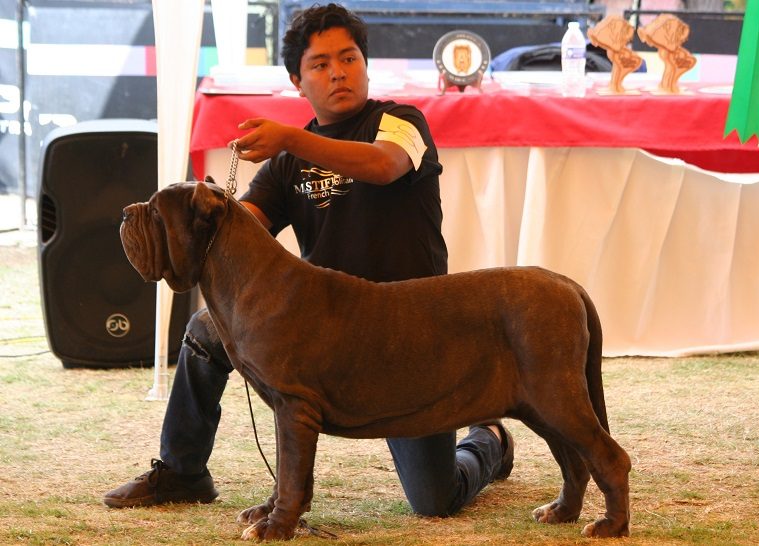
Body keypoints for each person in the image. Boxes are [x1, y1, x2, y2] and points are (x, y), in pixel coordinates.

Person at [103, 3, 513, 519]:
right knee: (207, 331)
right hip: (327, 331)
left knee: (435, 499)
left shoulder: (401, 123)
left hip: (408, 332)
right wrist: (198, 216)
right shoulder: (284, 166)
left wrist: (291, 137)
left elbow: (385, 167)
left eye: (349, 58)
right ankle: (183, 470)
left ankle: (490, 439)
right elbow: (241, 230)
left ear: (366, 63)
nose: (339, 71)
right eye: (320, 64)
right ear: (297, 81)